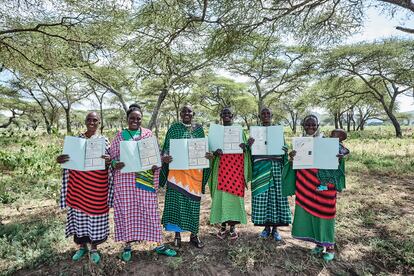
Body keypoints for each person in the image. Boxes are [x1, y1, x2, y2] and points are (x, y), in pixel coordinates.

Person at [110, 104, 176, 262]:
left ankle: (159, 244)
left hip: (144, 180)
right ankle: (127, 245)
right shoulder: (120, 136)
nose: (135, 120)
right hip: (125, 181)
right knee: (126, 211)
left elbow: (155, 156)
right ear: (127, 119)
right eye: (132, 118)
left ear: (141, 120)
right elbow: (112, 157)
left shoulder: (148, 134)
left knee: (150, 210)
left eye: (138, 118)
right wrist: (114, 164)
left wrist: (159, 162)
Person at [282, 115, 347, 261]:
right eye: (307, 124)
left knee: (326, 212)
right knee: (310, 213)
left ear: (318, 125)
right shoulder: (300, 143)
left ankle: (329, 246)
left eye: (313, 125)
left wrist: (339, 157)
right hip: (306, 184)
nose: (310, 127)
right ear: (303, 126)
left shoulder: (327, 142)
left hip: (324, 185)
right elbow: (295, 165)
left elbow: (341, 155)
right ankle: (318, 244)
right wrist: (292, 158)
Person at [57, 112, 112, 264]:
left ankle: (94, 248)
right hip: (78, 186)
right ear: (85, 121)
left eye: (95, 120)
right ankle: (82, 246)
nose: (92, 122)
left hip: (97, 187)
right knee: (79, 216)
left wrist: (109, 160)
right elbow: (67, 159)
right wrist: (60, 159)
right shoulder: (77, 140)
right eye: (89, 119)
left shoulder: (104, 140)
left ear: (99, 122)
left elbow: (111, 161)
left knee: (96, 217)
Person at [159, 105, 210, 248]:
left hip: (194, 175)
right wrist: (165, 158)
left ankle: (194, 235)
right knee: (176, 204)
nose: (187, 113)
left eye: (189, 111)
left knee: (193, 205)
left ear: (193, 113)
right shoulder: (173, 129)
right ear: (180, 113)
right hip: (177, 174)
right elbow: (165, 150)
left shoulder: (199, 129)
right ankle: (177, 236)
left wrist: (207, 155)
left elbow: (204, 149)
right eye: (184, 111)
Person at [207, 107, 252, 240]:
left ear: (232, 116)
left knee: (234, 198)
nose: (226, 115)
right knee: (220, 197)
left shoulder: (240, 131)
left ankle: (232, 227)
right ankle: (222, 226)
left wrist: (246, 148)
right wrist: (215, 153)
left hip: (236, 168)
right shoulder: (215, 132)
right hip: (220, 168)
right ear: (221, 116)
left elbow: (245, 150)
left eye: (229, 114)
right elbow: (210, 151)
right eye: (224, 113)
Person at [250, 107, 291, 240]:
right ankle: (266, 228)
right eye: (263, 114)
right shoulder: (255, 132)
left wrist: (285, 150)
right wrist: (249, 145)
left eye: (268, 113)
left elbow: (284, 152)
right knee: (262, 198)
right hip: (260, 169)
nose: (266, 115)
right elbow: (250, 153)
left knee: (276, 198)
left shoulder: (278, 132)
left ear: (271, 115)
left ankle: (275, 229)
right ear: (260, 116)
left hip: (276, 169)